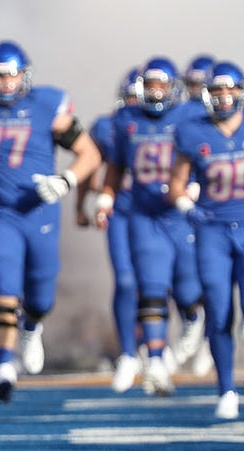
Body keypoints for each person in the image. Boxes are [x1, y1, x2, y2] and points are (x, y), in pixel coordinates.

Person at [0, 41, 101, 402]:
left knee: (41, 292)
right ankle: (4, 364)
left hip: (39, 210)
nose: (5, 83)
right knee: (2, 283)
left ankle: (32, 325)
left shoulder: (46, 105)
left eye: (11, 75)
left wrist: (65, 181)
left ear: (24, 75)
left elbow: (89, 153)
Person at [168, 61, 244, 419]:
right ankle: (226, 388)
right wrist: (186, 206)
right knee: (219, 311)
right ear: (206, 94)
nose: (225, 97)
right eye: (217, 91)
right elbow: (176, 184)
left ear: (243, 91)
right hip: (212, 231)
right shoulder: (192, 131)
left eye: (231, 90)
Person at [97, 57, 206, 396]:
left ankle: (192, 319)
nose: (156, 92)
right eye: (150, 85)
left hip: (180, 214)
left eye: (162, 85)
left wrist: (197, 188)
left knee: (188, 290)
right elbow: (114, 165)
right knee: (150, 285)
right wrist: (104, 197)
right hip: (144, 214)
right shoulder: (126, 119)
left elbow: (208, 155)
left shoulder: (189, 115)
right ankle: (154, 358)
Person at [76, 68, 142, 393]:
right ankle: (129, 351)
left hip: (159, 214)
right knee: (127, 280)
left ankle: (157, 347)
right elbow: (91, 163)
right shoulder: (109, 127)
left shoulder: (171, 125)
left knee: (164, 283)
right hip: (121, 210)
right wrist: (84, 201)